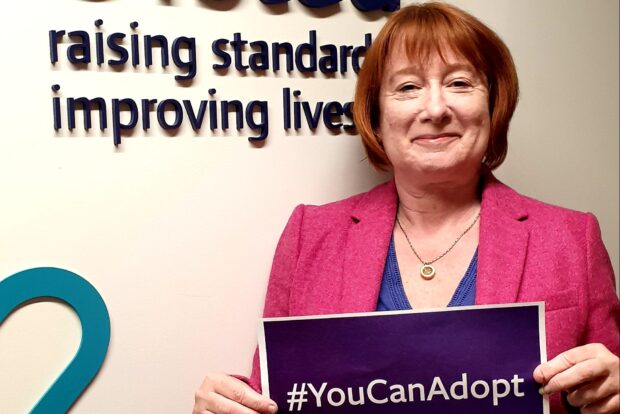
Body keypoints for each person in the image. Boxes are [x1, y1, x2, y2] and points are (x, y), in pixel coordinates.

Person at [193, 3, 620, 413]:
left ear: (493, 104)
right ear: (376, 115)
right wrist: (228, 405)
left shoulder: (571, 237)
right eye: (408, 87)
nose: (435, 109)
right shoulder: (310, 234)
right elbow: (277, 394)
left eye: (459, 83)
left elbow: (603, 388)